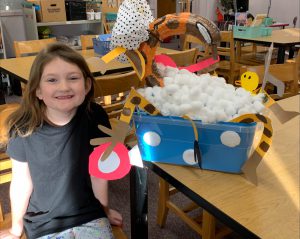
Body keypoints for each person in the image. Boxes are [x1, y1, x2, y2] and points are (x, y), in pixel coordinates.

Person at [0, 43, 122, 239]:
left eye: (73, 78)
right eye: (52, 80)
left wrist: (105, 210)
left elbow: (99, 172)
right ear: (38, 90)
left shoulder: (95, 116)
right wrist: (16, 228)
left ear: (87, 85)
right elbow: (22, 182)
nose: (64, 87)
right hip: (43, 223)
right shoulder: (22, 128)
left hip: (89, 216)